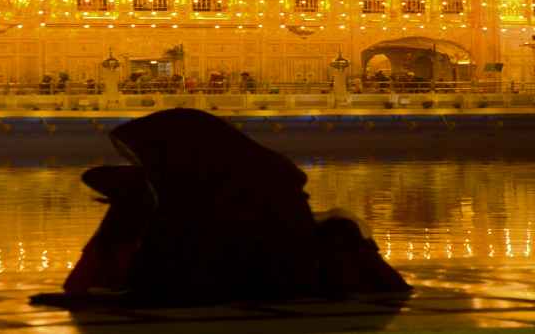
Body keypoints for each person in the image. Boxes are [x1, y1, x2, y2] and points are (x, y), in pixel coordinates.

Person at [38, 109, 410, 307]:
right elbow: (101, 177)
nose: (144, 165)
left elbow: (176, 253)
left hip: (270, 269)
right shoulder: (224, 176)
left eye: (146, 157)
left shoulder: (219, 190)